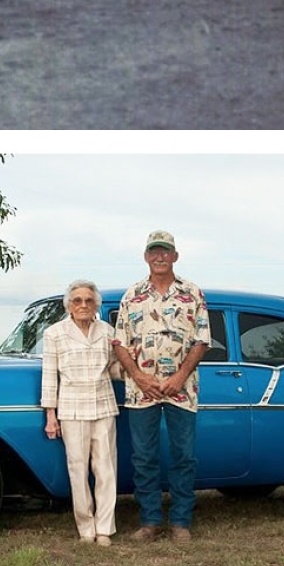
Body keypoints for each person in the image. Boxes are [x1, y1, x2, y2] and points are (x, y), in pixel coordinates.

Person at [112, 230, 210, 542]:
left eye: (166, 251)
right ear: (146, 256)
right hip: (142, 390)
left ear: (175, 256)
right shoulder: (132, 295)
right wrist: (139, 377)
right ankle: (150, 521)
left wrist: (180, 376)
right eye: (154, 251)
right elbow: (119, 343)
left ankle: (181, 521)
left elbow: (202, 339)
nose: (160, 257)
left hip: (183, 388)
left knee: (183, 455)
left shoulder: (192, 293)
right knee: (144, 457)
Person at [40, 279, 120, 545]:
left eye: (88, 300)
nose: (83, 305)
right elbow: (50, 376)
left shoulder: (107, 331)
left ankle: (105, 528)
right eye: (77, 301)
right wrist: (51, 416)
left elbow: (113, 369)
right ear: (69, 306)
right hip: (71, 409)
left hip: (104, 405)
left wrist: (135, 364)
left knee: (106, 468)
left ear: (96, 304)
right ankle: (85, 528)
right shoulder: (54, 333)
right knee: (77, 469)